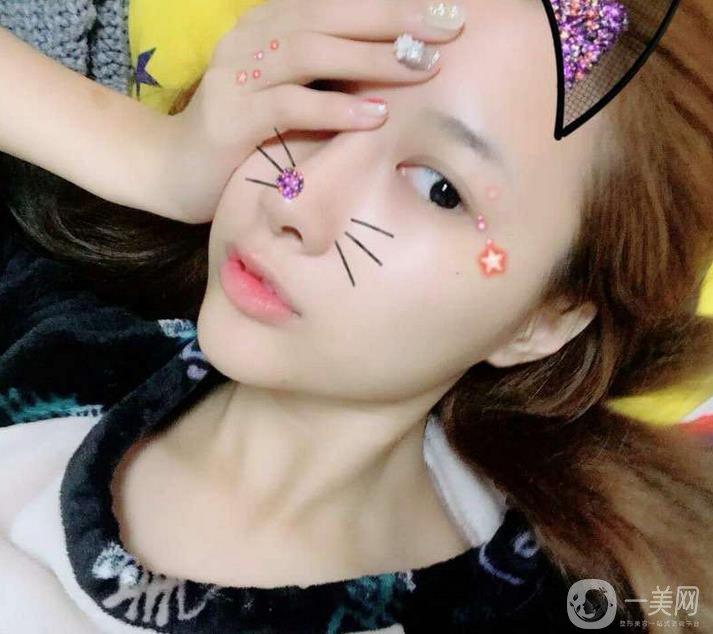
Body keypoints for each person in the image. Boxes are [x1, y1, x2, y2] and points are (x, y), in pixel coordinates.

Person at [1, 0, 713, 632]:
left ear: (546, 320)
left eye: (438, 189)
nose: (297, 198)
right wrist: (147, 157)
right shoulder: (62, 330)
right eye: (324, 95)